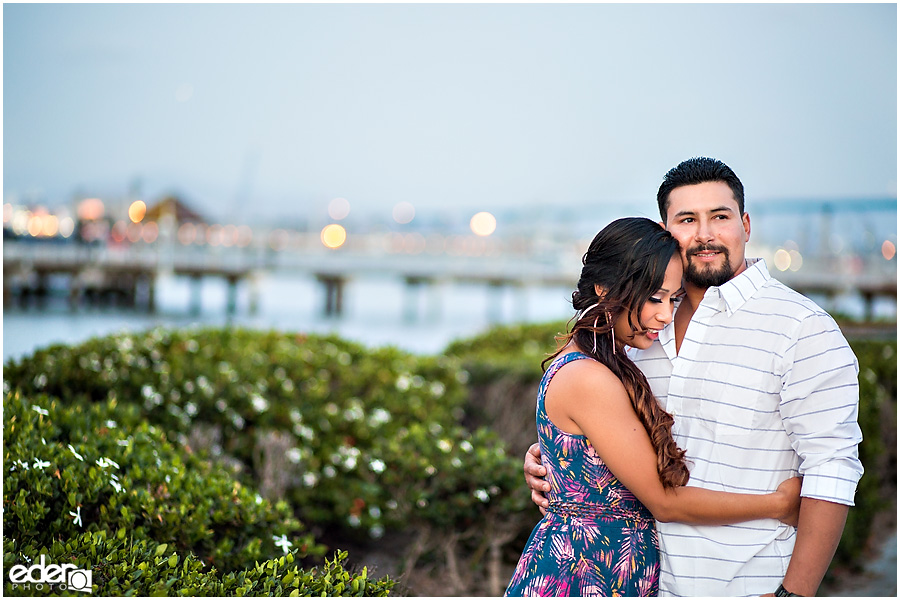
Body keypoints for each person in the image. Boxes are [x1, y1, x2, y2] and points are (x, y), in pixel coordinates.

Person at [524, 158, 864, 596]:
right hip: (645, 584)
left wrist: (793, 593)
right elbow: (596, 432)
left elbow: (831, 468)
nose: (705, 234)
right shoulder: (641, 333)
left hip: (750, 583)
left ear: (744, 224)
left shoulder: (802, 327)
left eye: (719, 217)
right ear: (666, 231)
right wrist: (554, 459)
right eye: (688, 220)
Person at [506, 217, 801, 597]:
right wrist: (778, 504)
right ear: (604, 288)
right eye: (654, 297)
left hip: (605, 569)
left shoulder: (603, 363)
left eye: (674, 299)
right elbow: (664, 502)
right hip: (582, 574)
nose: (665, 316)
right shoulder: (590, 377)